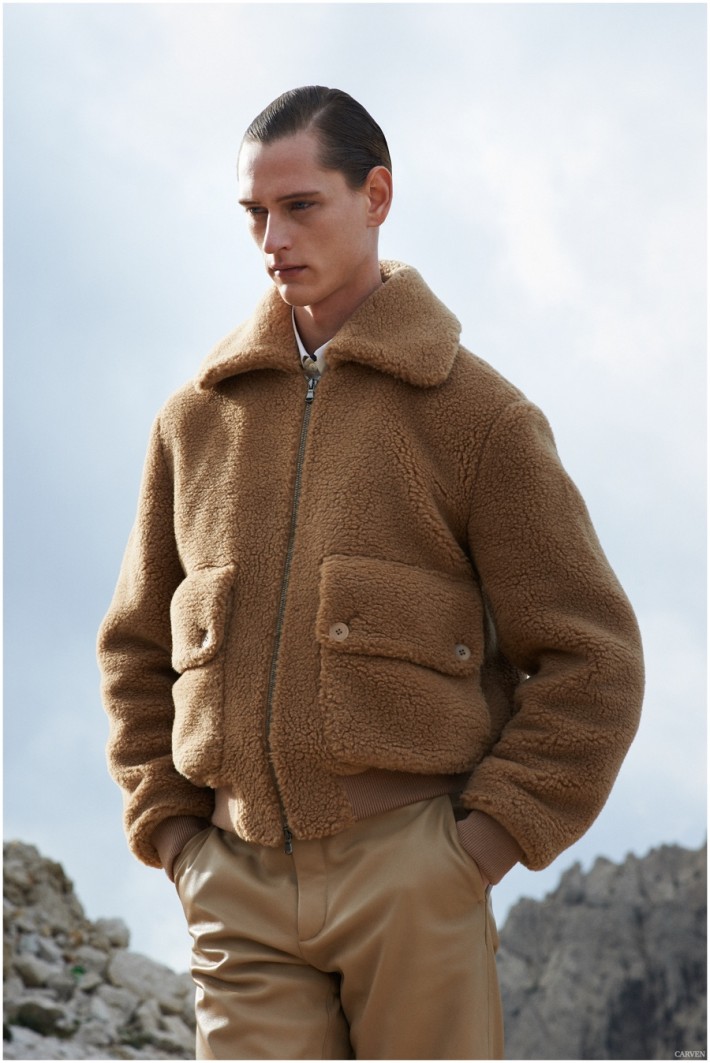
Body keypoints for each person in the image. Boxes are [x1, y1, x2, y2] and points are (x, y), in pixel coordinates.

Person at [97, 86, 645, 1060]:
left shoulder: (480, 418)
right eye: (254, 213)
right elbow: (135, 648)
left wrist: (477, 848)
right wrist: (177, 842)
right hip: (235, 887)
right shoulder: (195, 421)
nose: (273, 238)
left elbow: (592, 657)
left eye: (300, 205)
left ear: (376, 195)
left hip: (414, 875)